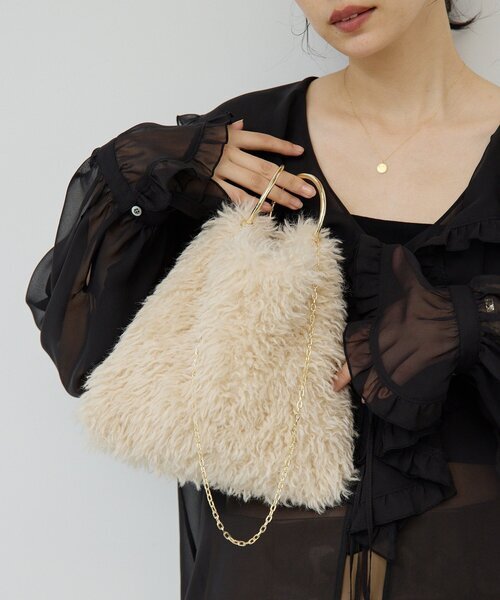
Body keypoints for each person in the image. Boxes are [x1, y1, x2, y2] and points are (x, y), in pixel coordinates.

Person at [25, 1, 500, 598]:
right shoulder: (244, 146)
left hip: (465, 566)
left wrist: (474, 321)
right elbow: (91, 355)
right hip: (262, 570)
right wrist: (142, 173)